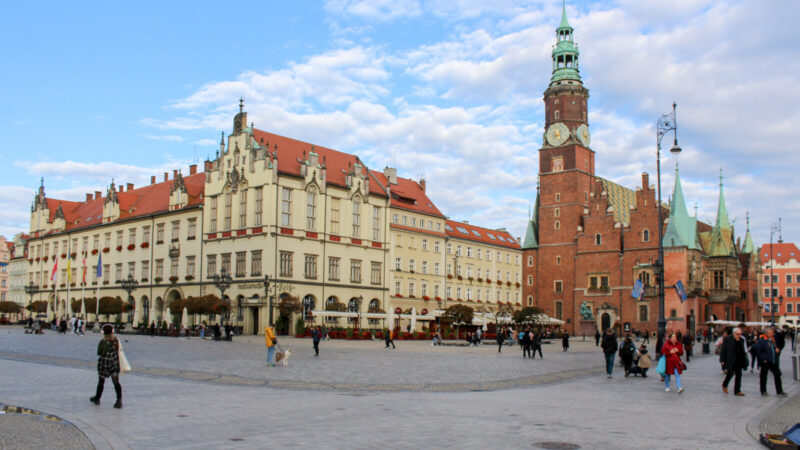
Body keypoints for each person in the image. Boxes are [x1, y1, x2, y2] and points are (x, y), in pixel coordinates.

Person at [90, 324, 123, 408]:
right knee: (116, 382)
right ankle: (119, 400)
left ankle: (97, 398)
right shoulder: (116, 340)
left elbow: (99, 352)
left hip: (105, 362)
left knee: (101, 381)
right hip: (114, 362)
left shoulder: (103, 341)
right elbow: (118, 350)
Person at [753, 327, 787, 397]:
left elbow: (776, 348)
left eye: (772, 333)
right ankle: (763, 391)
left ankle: (779, 391)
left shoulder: (773, 340)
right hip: (765, 361)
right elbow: (758, 351)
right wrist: (763, 359)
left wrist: (777, 350)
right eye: (769, 333)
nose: (771, 334)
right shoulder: (762, 340)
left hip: (773, 361)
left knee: (777, 374)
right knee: (763, 376)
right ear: (766, 333)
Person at [720, 327, 748, 396]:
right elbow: (723, 350)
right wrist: (722, 360)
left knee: (739, 375)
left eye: (740, 334)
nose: (739, 335)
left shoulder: (742, 340)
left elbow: (743, 350)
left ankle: (737, 391)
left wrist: (745, 359)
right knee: (730, 373)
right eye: (737, 334)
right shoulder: (728, 339)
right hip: (730, 360)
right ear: (733, 333)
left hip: (739, 360)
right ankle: (725, 384)